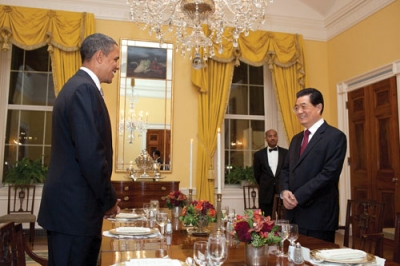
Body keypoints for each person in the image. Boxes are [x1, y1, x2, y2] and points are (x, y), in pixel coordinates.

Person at [38, 33, 121, 266]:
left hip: (72, 213)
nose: (117, 65)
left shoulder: (78, 87)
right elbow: (91, 157)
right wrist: (109, 201)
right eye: (115, 59)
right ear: (99, 56)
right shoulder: (84, 90)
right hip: (74, 214)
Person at [280, 88, 347, 243]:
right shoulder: (296, 139)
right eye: (296, 108)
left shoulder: (335, 137)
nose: (299, 111)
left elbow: (329, 174)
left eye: (304, 106)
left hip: (318, 216)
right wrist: (285, 192)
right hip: (293, 215)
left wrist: (298, 196)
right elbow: (285, 169)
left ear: (318, 107)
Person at [253, 129, 288, 217]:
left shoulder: (286, 153)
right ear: (266, 138)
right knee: (265, 221)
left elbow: (288, 172)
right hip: (265, 193)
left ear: (277, 138)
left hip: (281, 192)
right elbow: (257, 174)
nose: (273, 138)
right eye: (270, 136)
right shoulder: (258, 155)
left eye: (275, 136)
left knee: (283, 219)